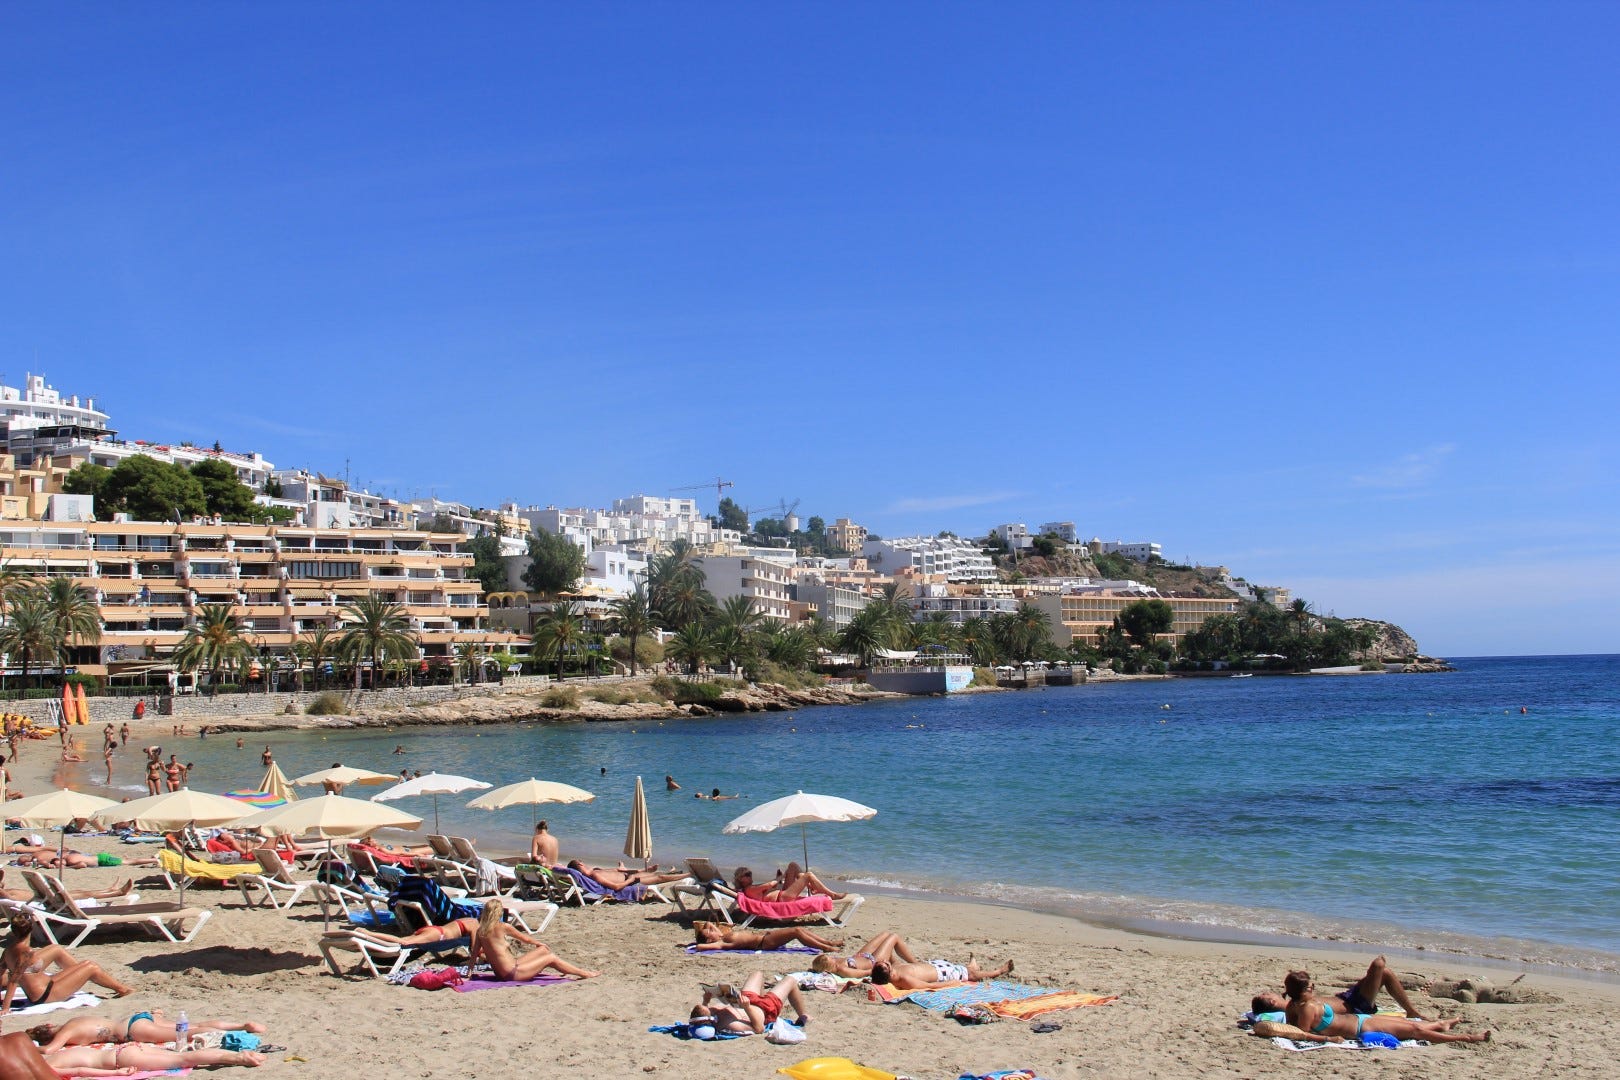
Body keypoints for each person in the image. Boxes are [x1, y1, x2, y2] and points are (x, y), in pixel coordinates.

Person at [1281, 970, 1490, 1044]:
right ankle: (1466, 1038)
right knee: (1415, 1030)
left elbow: (1291, 1026)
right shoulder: (1306, 1008)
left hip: (1361, 1020)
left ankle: (1440, 1025)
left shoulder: (1298, 1004)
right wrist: (1329, 1039)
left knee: (1407, 1024)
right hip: (1361, 1028)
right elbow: (1301, 1034)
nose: (1314, 988)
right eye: (1310, 986)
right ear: (1303, 990)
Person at [0, 912, 135, 1014]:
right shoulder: (27, 952)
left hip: (46, 986)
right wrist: (6, 1008)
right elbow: (13, 980)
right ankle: (122, 990)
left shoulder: (8, 951)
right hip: (45, 995)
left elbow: (1, 973)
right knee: (91, 966)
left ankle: (81, 976)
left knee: (69, 956)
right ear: (31, 929)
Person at [1252, 955, 1427, 1020]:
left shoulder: (1295, 998)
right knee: (1380, 966)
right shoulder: (1297, 1007)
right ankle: (1411, 1012)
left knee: (1383, 972)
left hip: (1347, 997)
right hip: (1356, 1006)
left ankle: (1411, 1011)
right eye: (1266, 994)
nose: (1269, 992)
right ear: (1272, 1002)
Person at [468, 899, 598, 981]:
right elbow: (524, 938)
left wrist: (469, 973)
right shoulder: (503, 927)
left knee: (543, 950)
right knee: (551, 958)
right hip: (512, 973)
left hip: (503, 971)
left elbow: (474, 953)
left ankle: (565, 969)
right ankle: (584, 973)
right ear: (499, 912)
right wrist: (538, 942)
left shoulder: (481, 931)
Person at [28, 1010, 267, 1052]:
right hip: (135, 1017)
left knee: (189, 1032)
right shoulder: (75, 1019)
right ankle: (240, 1025)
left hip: (134, 1030)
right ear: (49, 1026)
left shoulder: (68, 1032)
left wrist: (32, 1048)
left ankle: (238, 1033)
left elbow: (49, 1050)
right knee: (192, 1024)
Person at [689, 971, 811, 1036]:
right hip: (765, 1009)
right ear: (709, 1020)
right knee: (790, 980)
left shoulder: (710, 1013)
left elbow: (704, 1011)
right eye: (706, 1008)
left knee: (757, 974)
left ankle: (762, 995)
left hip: (745, 1000)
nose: (708, 1008)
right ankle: (803, 1014)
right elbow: (759, 1029)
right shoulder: (730, 1025)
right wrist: (747, 1008)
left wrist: (706, 1001)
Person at [44, 1043, 266, 1071]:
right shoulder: (50, 1058)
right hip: (125, 1048)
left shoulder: (47, 1069)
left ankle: (238, 1058)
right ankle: (235, 1055)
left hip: (121, 1060)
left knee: (184, 1060)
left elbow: (81, 1071)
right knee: (183, 1056)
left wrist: (118, 1073)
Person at [869, 952, 1014, 991]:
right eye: (885, 963)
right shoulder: (904, 980)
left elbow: (890, 956)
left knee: (963, 969)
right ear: (890, 972)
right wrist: (952, 983)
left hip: (935, 965)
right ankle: (999, 971)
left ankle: (972, 965)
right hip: (942, 974)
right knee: (970, 975)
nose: (886, 960)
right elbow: (929, 986)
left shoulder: (895, 970)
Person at [810, 930, 923, 978]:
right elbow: (862, 973)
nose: (833, 958)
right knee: (894, 937)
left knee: (885, 934)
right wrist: (875, 971)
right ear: (828, 967)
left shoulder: (835, 963)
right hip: (872, 961)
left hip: (862, 955)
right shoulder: (841, 969)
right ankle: (915, 963)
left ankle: (897, 964)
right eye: (831, 959)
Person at [691, 920, 843, 953]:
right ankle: (826, 947)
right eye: (709, 932)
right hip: (764, 942)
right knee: (796, 931)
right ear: (710, 939)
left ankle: (828, 943)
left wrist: (705, 931)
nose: (711, 929)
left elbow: (709, 923)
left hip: (765, 937)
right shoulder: (720, 943)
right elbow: (699, 946)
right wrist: (704, 941)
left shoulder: (721, 935)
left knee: (799, 929)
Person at [0, 869, 134, 904]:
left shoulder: (5, 893)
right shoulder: (5, 897)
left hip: (43, 897)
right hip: (46, 901)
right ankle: (117, 893)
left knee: (79, 891)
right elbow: (8, 898)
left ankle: (109, 890)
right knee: (83, 895)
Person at [734, 863, 846, 902]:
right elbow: (769, 885)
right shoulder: (749, 890)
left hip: (782, 893)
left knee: (792, 866)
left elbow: (769, 888)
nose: (750, 876)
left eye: (750, 874)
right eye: (747, 875)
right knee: (809, 875)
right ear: (740, 879)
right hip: (783, 898)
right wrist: (781, 877)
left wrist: (778, 878)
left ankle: (812, 887)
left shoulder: (752, 888)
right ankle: (832, 895)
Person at [564, 860, 692, 889]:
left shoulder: (595, 871)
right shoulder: (594, 876)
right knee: (659, 877)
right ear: (579, 864)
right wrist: (630, 880)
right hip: (630, 882)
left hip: (629, 877)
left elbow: (618, 871)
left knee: (657, 873)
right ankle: (688, 875)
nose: (583, 862)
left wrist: (638, 871)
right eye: (581, 861)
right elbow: (616, 887)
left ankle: (674, 872)